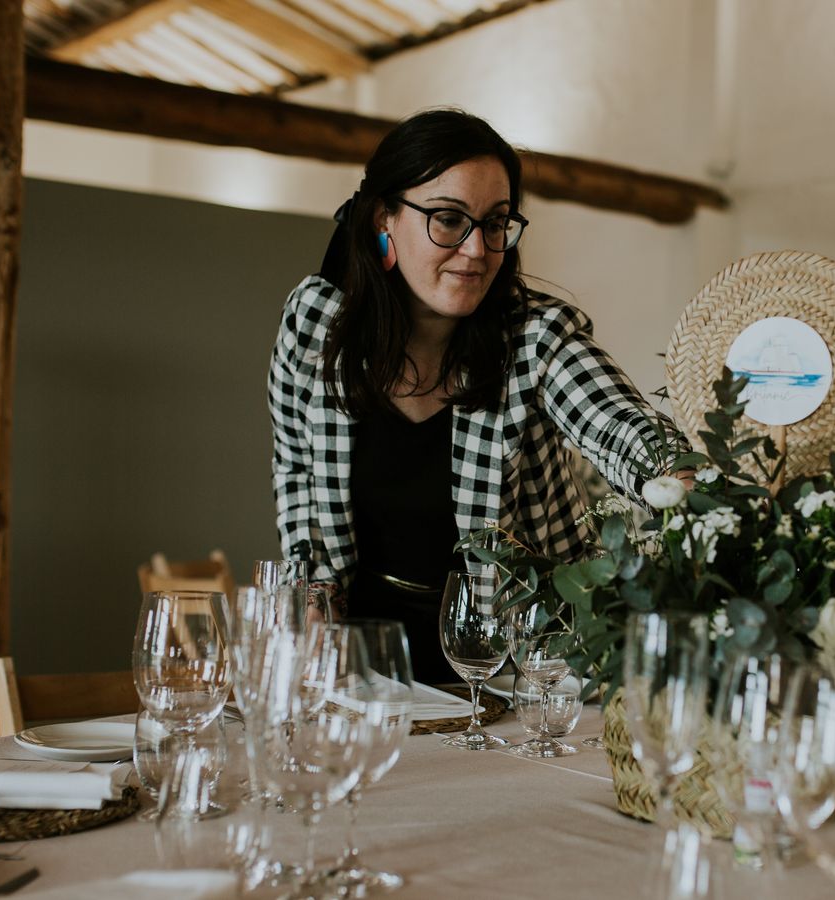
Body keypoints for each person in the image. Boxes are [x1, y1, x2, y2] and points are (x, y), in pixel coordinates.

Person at [269, 108, 667, 684]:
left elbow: (618, 424)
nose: (478, 250)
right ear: (385, 219)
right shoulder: (315, 325)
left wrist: (678, 479)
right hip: (359, 663)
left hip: (525, 663)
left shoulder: (536, 337)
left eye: (496, 222)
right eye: (449, 219)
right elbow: (296, 471)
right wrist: (308, 587)